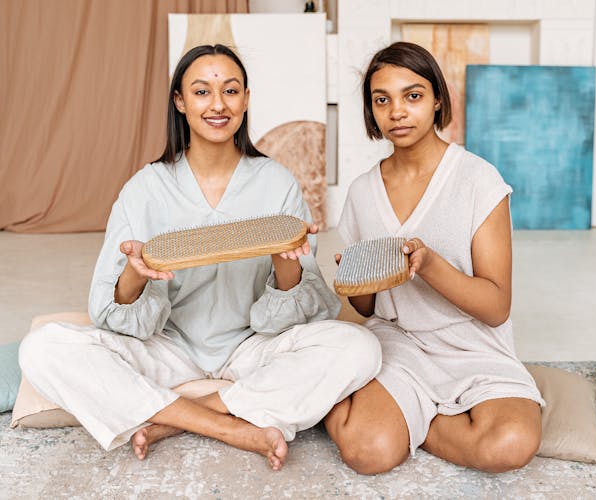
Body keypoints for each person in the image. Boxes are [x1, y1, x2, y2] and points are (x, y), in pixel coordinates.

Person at [19, 44, 381, 471]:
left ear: (246, 99)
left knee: (360, 347)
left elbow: (305, 309)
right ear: (180, 100)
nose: (217, 104)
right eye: (201, 91)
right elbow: (107, 311)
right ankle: (228, 425)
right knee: (42, 348)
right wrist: (135, 276)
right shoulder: (144, 188)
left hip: (253, 345)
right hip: (169, 346)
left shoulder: (276, 182)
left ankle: (175, 419)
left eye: (230, 91)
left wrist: (287, 264)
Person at [323, 42, 544, 474]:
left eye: (413, 95)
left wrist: (429, 264)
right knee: (366, 453)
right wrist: (357, 282)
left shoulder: (479, 181)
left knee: (510, 445)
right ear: (371, 111)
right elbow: (366, 309)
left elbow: (497, 308)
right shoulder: (362, 192)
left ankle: (412, 421)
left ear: (437, 99)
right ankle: (398, 415)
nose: (397, 112)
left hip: (474, 344)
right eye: (381, 100)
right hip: (398, 344)